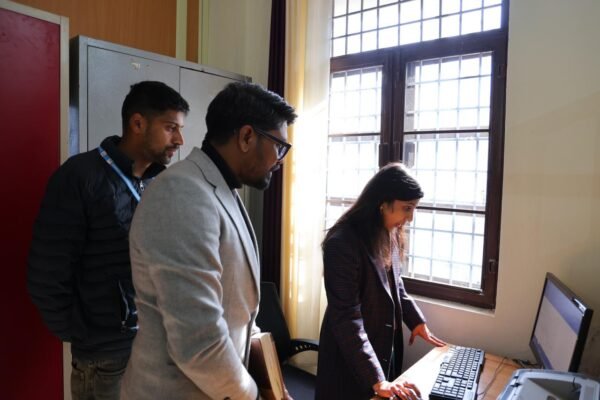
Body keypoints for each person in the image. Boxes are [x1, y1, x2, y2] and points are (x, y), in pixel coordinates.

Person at [120, 81, 297, 400]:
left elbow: (238, 312)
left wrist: (274, 384)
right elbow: (199, 345)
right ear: (246, 137)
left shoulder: (219, 189)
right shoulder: (181, 193)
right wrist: (252, 395)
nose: (281, 159)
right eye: (279, 146)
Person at [27, 81, 190, 400]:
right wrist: (84, 334)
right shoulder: (80, 177)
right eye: (170, 128)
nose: (179, 140)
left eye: (180, 129)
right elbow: (47, 273)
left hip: (153, 346)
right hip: (105, 359)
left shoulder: (160, 182)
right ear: (138, 123)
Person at [315, 163, 446, 400]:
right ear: (383, 203)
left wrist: (416, 322)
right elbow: (347, 318)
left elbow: (396, 286)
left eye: (413, 209)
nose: (410, 218)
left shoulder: (389, 232)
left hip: (382, 347)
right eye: (407, 208)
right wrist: (377, 378)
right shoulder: (341, 243)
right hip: (350, 358)